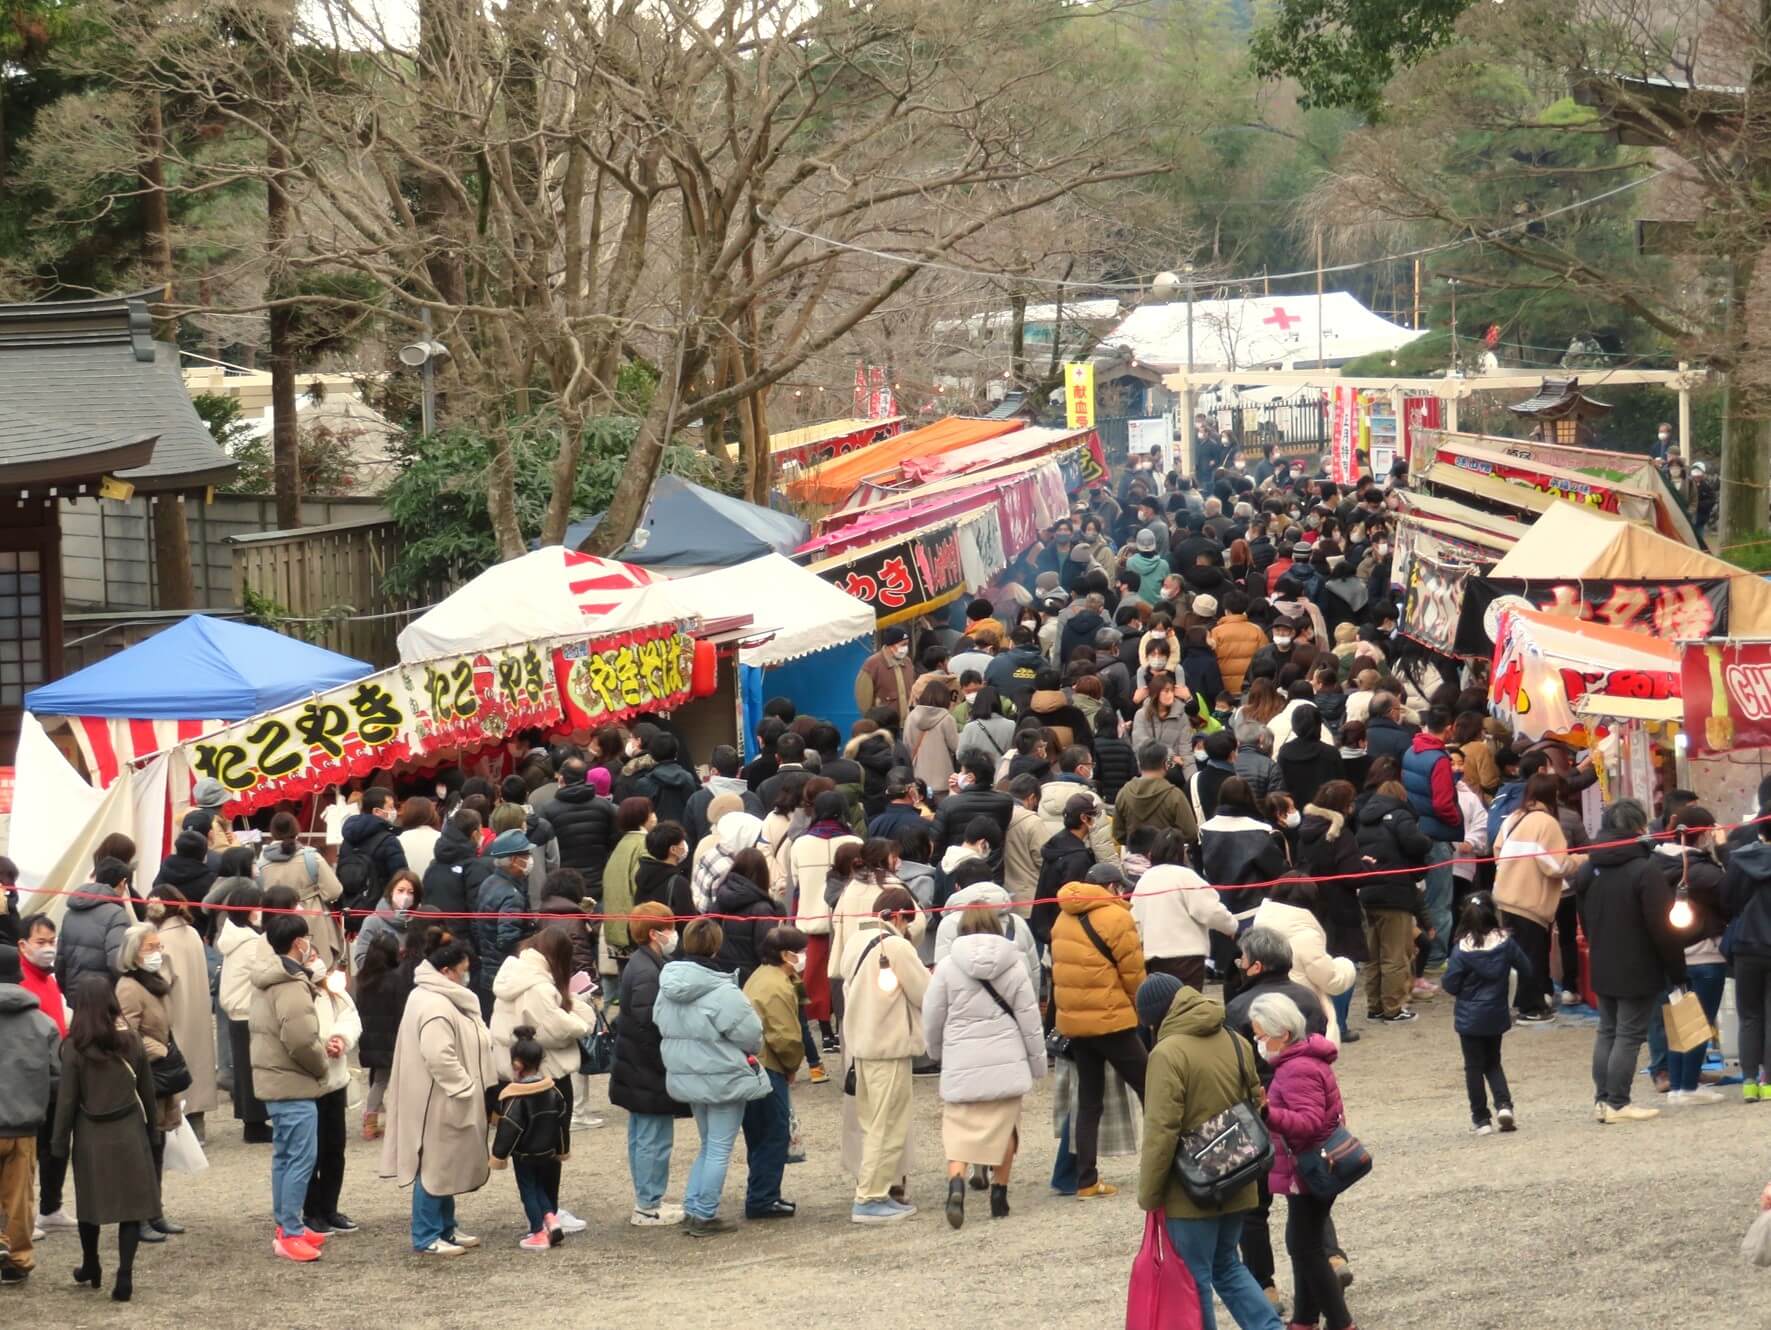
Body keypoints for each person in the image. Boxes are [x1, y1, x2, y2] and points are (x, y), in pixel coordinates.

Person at [1136, 975, 1280, 1330]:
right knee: (1228, 1265)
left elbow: (1161, 1130)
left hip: (1192, 1188)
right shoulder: (1233, 1038)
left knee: (1195, 1277)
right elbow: (1257, 1099)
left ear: (1155, 1017)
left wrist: (1149, 1194)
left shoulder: (1167, 1053)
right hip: (1238, 1173)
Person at [922, 905, 1045, 1228]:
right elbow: (1030, 1020)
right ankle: (999, 1194)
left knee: (958, 1129)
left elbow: (932, 1016)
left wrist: (935, 1051)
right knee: (1006, 1129)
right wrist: (1037, 1063)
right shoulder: (1015, 966)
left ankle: (957, 1183)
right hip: (1006, 1059)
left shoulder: (947, 967)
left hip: (962, 1059)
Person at [655, 917, 770, 1237]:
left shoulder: (666, 986)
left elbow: (659, 1024)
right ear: (716, 946)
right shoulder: (722, 990)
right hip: (723, 1075)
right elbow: (751, 1035)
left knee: (708, 1144)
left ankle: (695, 1206)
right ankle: (704, 1212)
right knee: (719, 1147)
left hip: (687, 1074)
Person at [381, 936, 496, 1255]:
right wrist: (465, 1087)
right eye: (463, 970)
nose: (466, 975)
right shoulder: (434, 1004)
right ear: (447, 971)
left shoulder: (440, 997)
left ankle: (445, 1227)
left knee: (445, 1165)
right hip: (438, 1099)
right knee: (433, 1166)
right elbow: (438, 1055)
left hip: (442, 1096)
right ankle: (427, 1234)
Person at [1575, 799, 1684, 1124]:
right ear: (1639, 828)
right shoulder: (1644, 869)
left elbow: (1582, 913)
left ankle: (1602, 1100)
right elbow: (1662, 926)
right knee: (1628, 1034)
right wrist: (1677, 969)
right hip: (1638, 962)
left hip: (1602, 958)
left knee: (1607, 1030)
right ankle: (1618, 1102)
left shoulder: (1589, 867)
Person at [1251, 991, 1355, 1330]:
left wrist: (1269, 1113)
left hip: (1310, 1168)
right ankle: (1305, 1319)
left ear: (1281, 1033)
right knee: (1304, 1244)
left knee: (1305, 1248)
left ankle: (1340, 1322)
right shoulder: (1304, 1060)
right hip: (1313, 1169)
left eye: (1261, 1035)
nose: (1258, 1042)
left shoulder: (1296, 1069)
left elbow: (1308, 1123)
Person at [53, 975, 159, 1302]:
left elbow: (67, 1100)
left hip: (90, 1133)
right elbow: (148, 1092)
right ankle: (124, 1273)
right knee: (131, 1207)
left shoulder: (74, 1048)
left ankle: (91, 1264)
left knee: (90, 1205)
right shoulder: (132, 1042)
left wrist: (59, 1143)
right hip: (128, 1129)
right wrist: (153, 1131)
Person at [1051, 875, 1147, 1199]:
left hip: (1075, 1023)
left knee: (1089, 1102)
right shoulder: (1117, 916)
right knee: (1153, 1087)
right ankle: (1174, 1163)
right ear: (1113, 887)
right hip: (1112, 1019)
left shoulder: (1063, 915)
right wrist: (1143, 1008)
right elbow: (1133, 973)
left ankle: (1086, 1180)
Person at [841, 887, 930, 1223]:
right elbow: (925, 992)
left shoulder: (854, 941)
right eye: (908, 922)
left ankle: (872, 1192)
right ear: (897, 916)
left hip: (861, 1046)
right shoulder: (894, 945)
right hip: (888, 1046)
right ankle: (870, 1197)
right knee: (887, 1125)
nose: (908, 929)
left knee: (872, 1122)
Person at [247, 912, 331, 1261]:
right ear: (299, 943)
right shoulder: (291, 983)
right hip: (292, 1081)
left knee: (285, 1156)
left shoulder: (270, 979)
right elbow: (300, 1038)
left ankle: (288, 1223)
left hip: (275, 1078)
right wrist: (321, 1063)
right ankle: (290, 1232)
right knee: (300, 1158)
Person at [609, 902, 688, 1226]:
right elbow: (648, 1022)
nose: (673, 934)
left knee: (645, 1136)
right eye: (669, 927)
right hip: (648, 1069)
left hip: (638, 1067)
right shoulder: (647, 970)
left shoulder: (645, 963)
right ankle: (647, 1204)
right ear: (655, 933)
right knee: (653, 1139)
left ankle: (649, 1199)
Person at [1491, 774, 1583, 1023]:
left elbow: (1497, 849)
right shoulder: (1547, 822)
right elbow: (1555, 865)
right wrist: (1583, 859)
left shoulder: (1513, 817)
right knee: (1532, 954)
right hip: (1530, 900)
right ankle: (1530, 1008)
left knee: (1517, 955)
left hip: (1506, 895)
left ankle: (1521, 1003)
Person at [113, 922, 183, 1243]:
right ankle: (138, 1215)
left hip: (159, 1075)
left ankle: (154, 1210)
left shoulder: (153, 984)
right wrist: (160, 1049)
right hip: (143, 1076)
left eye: (159, 947)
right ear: (134, 954)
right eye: (150, 948)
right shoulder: (129, 988)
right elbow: (126, 1033)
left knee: (157, 1145)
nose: (158, 953)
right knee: (143, 1147)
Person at [1440, 894, 1530, 1135]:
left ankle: (1481, 1119)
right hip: (1496, 1013)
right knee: (1493, 1062)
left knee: (1473, 1067)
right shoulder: (1506, 943)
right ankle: (1504, 1105)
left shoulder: (1461, 950)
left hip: (1469, 1017)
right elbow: (1527, 968)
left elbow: (1449, 984)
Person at [0, 942, 59, 1284]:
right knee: (20, 1197)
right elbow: (57, 1077)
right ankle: (18, 1259)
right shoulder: (43, 1023)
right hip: (23, 1125)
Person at [741, 925, 808, 1221]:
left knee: (758, 1132)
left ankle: (761, 1192)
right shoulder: (778, 987)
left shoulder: (762, 976)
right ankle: (763, 1198)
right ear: (786, 954)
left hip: (752, 1063)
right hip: (769, 1065)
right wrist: (793, 1065)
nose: (804, 956)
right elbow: (786, 1037)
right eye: (800, 951)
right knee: (773, 1132)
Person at [1354, 774, 1433, 1023]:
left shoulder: (1364, 820)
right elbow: (1416, 843)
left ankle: (1375, 1005)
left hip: (1368, 893)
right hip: (1395, 893)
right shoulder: (1401, 816)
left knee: (1373, 955)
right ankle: (1394, 1007)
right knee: (1395, 954)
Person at [490, 1024, 572, 1250]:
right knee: (541, 1188)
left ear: (517, 1064)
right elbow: (562, 1124)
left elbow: (509, 1129)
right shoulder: (554, 1092)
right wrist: (562, 1149)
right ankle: (551, 1220)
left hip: (524, 1154)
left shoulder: (515, 1098)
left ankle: (538, 1231)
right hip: (548, 1151)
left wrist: (499, 1156)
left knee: (529, 1189)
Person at [1250, 877, 1356, 1045]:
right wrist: (1346, 965)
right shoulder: (1306, 935)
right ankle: (1341, 1026)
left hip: (1267, 1003)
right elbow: (1332, 981)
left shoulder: (1260, 924)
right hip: (1303, 1010)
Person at [1130, 829, 1236, 989]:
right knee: (1186, 1007)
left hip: (1152, 957)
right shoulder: (1186, 876)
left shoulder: (1144, 880)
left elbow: (1135, 919)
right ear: (1182, 852)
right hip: (1186, 956)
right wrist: (1231, 926)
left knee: (1163, 1007)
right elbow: (1210, 910)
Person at [1401, 707, 1463, 967]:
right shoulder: (1439, 760)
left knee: (1420, 899)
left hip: (1416, 830)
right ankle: (1436, 957)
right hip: (1437, 834)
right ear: (1449, 727)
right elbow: (1441, 804)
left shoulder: (1411, 751)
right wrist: (1457, 821)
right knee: (1439, 900)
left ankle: (1419, 952)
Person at [218, 882, 275, 1142]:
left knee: (245, 1069)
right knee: (252, 1071)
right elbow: (267, 971)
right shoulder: (250, 942)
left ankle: (252, 1121)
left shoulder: (235, 937)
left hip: (237, 1010)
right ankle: (254, 1124)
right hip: (247, 1010)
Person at [1724, 808, 1771, 1102]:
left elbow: (1728, 900)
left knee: (1749, 1014)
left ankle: (1749, 1080)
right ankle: (1769, 1082)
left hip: (1746, 944)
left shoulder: (1741, 860)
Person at [257, 812, 346, 967]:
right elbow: (334, 890)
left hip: (276, 919)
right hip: (312, 916)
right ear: (296, 829)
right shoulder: (310, 857)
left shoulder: (262, 861)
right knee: (318, 965)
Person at [473, 829, 537, 1016]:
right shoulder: (512, 896)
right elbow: (507, 939)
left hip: (488, 968)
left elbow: (478, 926)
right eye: (527, 855)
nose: (530, 859)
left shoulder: (489, 882)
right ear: (515, 860)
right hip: (504, 974)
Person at [539, 758, 619, 897]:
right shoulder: (605, 807)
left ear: (562, 779)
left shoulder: (547, 810)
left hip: (564, 886)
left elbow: (547, 853)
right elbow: (614, 843)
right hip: (599, 882)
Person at [55, 856, 134, 995]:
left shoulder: (71, 912)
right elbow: (117, 962)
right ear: (123, 883)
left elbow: (60, 958)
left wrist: (66, 991)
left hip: (75, 993)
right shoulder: (117, 915)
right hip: (104, 996)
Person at [337, 787, 409, 918]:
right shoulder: (388, 841)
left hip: (350, 910)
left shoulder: (347, 841)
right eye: (390, 807)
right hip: (382, 913)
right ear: (377, 811)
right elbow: (401, 878)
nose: (394, 812)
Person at [1114, 741, 1199, 844]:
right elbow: (1191, 833)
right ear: (1165, 764)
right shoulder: (1174, 795)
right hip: (1168, 856)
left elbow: (1118, 834)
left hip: (1135, 856)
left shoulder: (1123, 793)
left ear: (1139, 764)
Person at [856, 626, 914, 722]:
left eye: (907, 644)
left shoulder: (908, 662)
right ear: (890, 646)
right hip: (885, 725)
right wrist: (871, 722)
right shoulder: (872, 664)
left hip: (908, 724)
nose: (906, 648)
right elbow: (864, 701)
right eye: (903, 644)